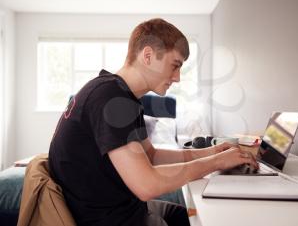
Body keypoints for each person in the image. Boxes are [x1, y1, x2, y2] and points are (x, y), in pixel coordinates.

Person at [48, 18, 258, 226]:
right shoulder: (111, 98)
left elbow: (152, 155)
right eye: (174, 65)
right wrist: (216, 163)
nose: (177, 78)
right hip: (110, 220)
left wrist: (213, 152)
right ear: (147, 56)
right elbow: (146, 185)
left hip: (126, 209)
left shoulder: (123, 97)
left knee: (203, 218)